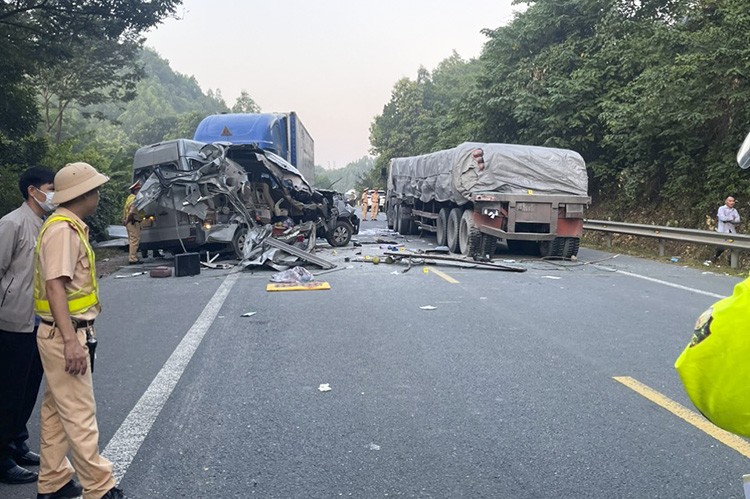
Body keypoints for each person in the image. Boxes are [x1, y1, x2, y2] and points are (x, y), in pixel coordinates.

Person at [34, 162, 126, 499]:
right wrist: (71, 341)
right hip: (65, 335)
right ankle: (99, 488)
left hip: (64, 333)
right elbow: (55, 287)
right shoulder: (62, 231)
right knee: (79, 413)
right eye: (96, 190)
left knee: (58, 410)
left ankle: (53, 482)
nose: (99, 195)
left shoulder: (67, 226)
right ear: (83, 194)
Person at [0, 167, 56, 486]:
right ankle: (2, 457)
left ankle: (17, 442)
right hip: (12, 323)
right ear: (33, 191)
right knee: (8, 390)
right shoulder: (12, 224)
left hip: (38, 323)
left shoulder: (45, 225)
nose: (55, 194)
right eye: (51, 188)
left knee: (28, 387)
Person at [713, 196, 740, 263]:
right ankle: (714, 257)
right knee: (722, 247)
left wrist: (729, 219)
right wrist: (731, 219)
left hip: (732, 232)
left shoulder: (734, 210)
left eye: (733, 201)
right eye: (730, 201)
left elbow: (738, 220)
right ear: (726, 201)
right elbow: (722, 218)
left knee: (734, 247)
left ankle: (731, 262)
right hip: (723, 231)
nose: (732, 203)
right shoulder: (721, 209)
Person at [122, 181, 144, 264]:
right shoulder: (135, 199)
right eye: (139, 190)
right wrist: (128, 220)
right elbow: (131, 212)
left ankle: (133, 257)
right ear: (136, 190)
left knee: (131, 240)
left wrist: (124, 220)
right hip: (133, 222)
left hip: (129, 222)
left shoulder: (129, 198)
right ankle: (133, 259)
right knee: (134, 240)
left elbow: (125, 210)